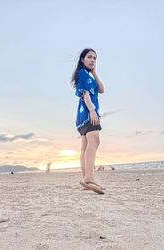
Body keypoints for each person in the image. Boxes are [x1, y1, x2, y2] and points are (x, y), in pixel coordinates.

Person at [71, 48, 105, 194]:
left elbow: (102, 89)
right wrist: (92, 110)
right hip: (88, 113)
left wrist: (95, 72)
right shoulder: (84, 74)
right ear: (82, 59)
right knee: (95, 141)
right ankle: (89, 177)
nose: (92, 60)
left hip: (81, 116)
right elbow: (85, 93)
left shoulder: (87, 74)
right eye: (89, 57)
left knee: (85, 147)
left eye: (95, 58)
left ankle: (86, 177)